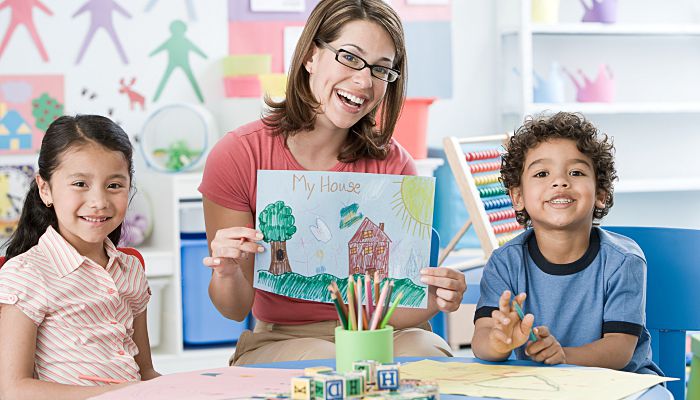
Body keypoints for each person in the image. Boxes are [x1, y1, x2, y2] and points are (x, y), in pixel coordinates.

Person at [199, 0, 466, 365]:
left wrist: (434, 300)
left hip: (381, 331)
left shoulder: (395, 163)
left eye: (381, 70)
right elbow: (233, 309)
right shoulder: (237, 155)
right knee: (329, 367)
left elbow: (396, 309)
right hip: (285, 337)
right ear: (310, 56)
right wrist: (227, 271)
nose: (364, 81)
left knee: (429, 357)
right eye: (350, 57)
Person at [471, 112, 662, 375]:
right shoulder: (505, 262)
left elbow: (620, 349)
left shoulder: (624, 261)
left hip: (623, 384)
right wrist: (498, 342)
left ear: (601, 195)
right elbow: (482, 338)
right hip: (540, 384)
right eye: (541, 173)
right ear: (518, 197)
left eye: (576, 172)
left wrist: (563, 356)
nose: (559, 181)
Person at [0, 115, 159, 400]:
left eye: (114, 185)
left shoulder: (130, 269)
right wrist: (120, 393)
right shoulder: (27, 274)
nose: (99, 202)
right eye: (80, 184)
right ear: (45, 188)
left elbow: (145, 373)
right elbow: (12, 389)